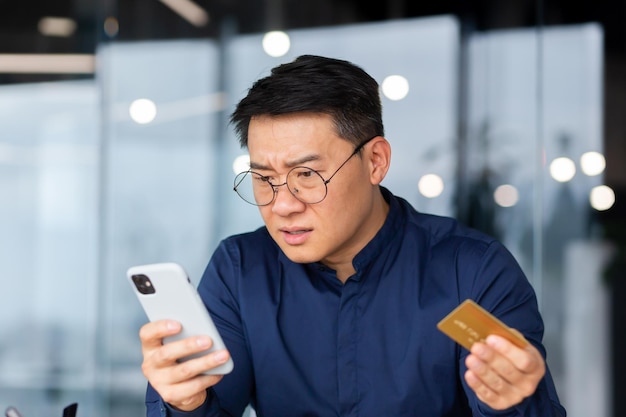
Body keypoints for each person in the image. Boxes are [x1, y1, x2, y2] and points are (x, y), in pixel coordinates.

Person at [139, 54, 566, 417]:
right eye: (262, 177)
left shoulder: (471, 271)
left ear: (376, 161)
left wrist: (512, 402)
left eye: (306, 174)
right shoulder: (241, 269)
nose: (282, 204)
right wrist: (184, 401)